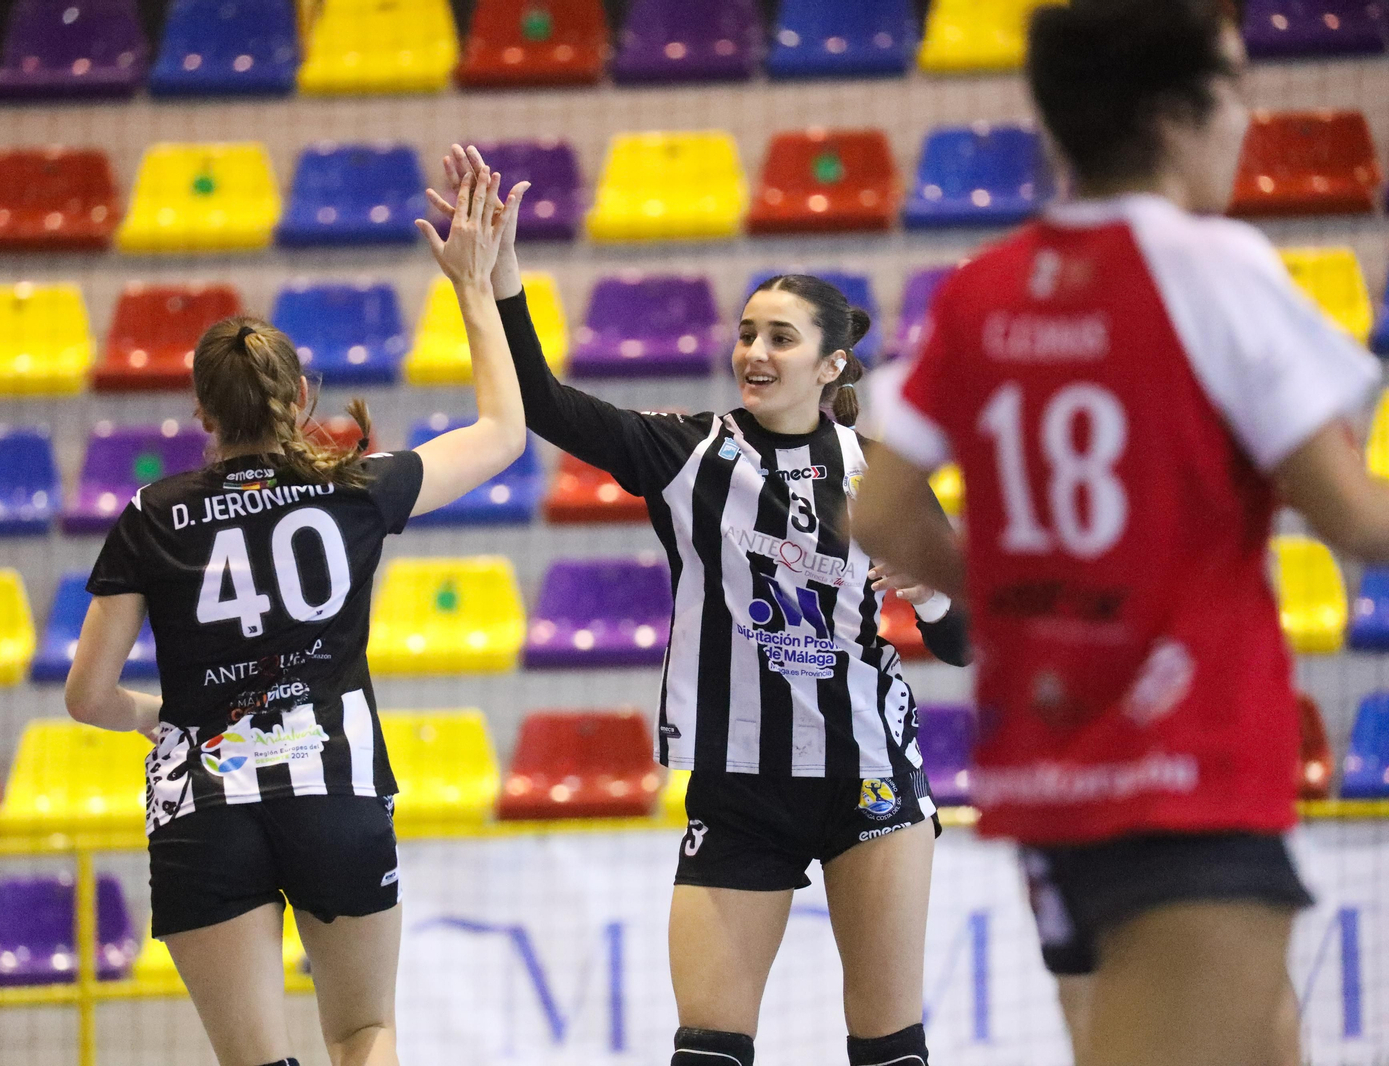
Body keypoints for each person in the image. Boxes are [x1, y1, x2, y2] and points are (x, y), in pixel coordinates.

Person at [848, 2, 1389, 1064]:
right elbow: (1354, 516)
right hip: (1189, 762)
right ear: (1169, 115)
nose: (1245, 119)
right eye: (1232, 92)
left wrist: (1009, 595)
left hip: (1050, 768)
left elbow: (878, 510)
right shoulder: (1212, 266)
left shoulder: (983, 289)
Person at [429, 148, 971, 1066]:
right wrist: (502, 278)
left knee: (889, 1049)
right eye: (748, 333)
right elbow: (547, 404)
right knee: (709, 1050)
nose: (755, 353)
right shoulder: (688, 452)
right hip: (741, 779)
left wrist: (939, 593)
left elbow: (958, 645)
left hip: (871, 773)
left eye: (781, 338)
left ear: (833, 360)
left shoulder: (884, 469)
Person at [64, 151, 527, 1066]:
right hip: (333, 785)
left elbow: (87, 696)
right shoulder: (354, 487)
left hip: (203, 802)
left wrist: (174, 718)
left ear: (204, 411)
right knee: (363, 1031)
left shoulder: (151, 516)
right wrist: (474, 287)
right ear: (302, 397)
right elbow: (504, 431)